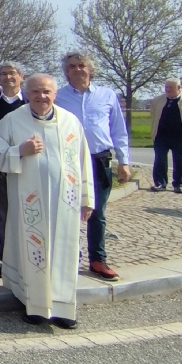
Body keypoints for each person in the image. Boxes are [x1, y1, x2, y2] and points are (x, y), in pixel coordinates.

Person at [0, 74, 95, 328]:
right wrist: (20, 151)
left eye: (47, 91)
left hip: (64, 204)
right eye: (36, 92)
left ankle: (63, 308)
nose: (41, 96)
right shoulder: (13, 121)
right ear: (27, 94)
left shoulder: (71, 122)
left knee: (64, 252)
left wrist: (86, 198)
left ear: (55, 94)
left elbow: (83, 161)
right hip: (30, 203)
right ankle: (34, 305)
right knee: (32, 250)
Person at [55, 50, 129, 282]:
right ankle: (69, 258)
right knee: (67, 210)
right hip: (67, 161)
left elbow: (118, 130)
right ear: (66, 72)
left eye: (81, 65)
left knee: (97, 212)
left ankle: (98, 259)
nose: (77, 69)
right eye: (72, 66)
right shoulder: (57, 96)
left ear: (90, 69)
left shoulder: (107, 95)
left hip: (99, 160)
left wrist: (124, 161)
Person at [0, 62, 27, 266]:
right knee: (4, 211)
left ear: (21, 76)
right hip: (0, 165)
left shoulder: (30, 101)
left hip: (29, 166)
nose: (8, 77)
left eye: (12, 74)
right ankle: (5, 253)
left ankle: (27, 253)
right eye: (3, 74)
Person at [149, 78, 182, 194]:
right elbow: (153, 114)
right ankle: (160, 183)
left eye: (171, 88)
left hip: (181, 136)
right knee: (160, 160)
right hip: (161, 135)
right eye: (166, 87)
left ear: (178, 88)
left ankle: (179, 184)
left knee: (181, 161)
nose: (168, 90)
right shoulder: (157, 100)